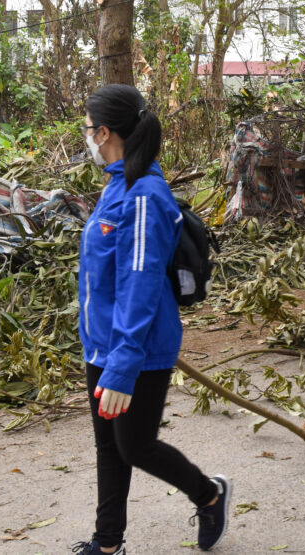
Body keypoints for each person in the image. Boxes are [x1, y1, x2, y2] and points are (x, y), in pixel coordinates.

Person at [74, 84, 230, 555]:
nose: (86, 137)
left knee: (135, 447)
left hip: (135, 350)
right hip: (103, 343)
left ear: (104, 133)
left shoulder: (145, 197)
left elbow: (139, 289)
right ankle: (107, 545)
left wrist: (122, 366)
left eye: (87, 129)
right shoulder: (117, 184)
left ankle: (209, 494)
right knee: (110, 448)